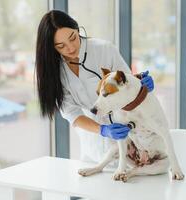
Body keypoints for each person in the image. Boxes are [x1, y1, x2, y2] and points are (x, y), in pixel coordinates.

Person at [35, 10, 154, 162]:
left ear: (77, 30)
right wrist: (103, 130)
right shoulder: (54, 70)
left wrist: (142, 84)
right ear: (52, 47)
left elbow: (127, 83)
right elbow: (72, 114)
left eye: (73, 38)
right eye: (61, 46)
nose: (70, 48)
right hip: (93, 142)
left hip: (127, 129)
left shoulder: (104, 50)